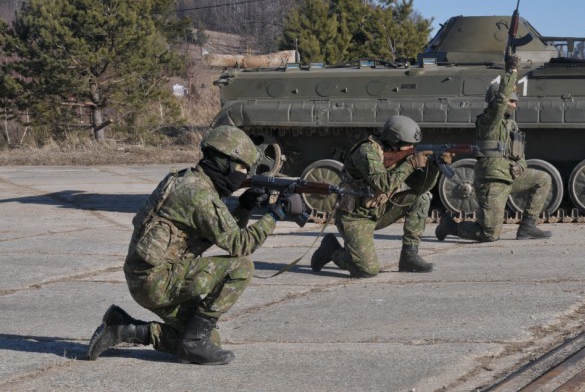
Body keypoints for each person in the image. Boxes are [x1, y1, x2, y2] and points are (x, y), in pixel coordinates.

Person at [86, 124, 305, 365]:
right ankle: (193, 342)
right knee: (241, 267)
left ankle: (125, 329)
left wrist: (245, 206)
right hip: (157, 281)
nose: (244, 175)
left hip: (150, 277)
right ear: (225, 162)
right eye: (242, 167)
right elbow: (240, 245)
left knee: (210, 339)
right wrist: (275, 215)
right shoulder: (199, 195)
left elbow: (219, 233)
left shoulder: (187, 180)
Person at [310, 115, 448, 277]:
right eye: (408, 145)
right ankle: (331, 251)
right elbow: (383, 184)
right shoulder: (366, 152)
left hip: (378, 209)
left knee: (421, 198)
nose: (411, 148)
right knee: (367, 270)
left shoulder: (396, 152)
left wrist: (434, 167)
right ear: (394, 141)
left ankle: (409, 256)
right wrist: (411, 164)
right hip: (354, 217)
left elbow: (419, 187)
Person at [435, 53, 552, 242]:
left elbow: (519, 153)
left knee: (543, 179)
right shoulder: (489, 121)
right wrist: (512, 71)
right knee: (489, 234)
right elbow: (500, 102)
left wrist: (520, 167)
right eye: (511, 100)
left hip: (509, 177)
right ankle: (451, 226)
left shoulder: (510, 125)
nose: (515, 104)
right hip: (493, 181)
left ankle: (527, 227)